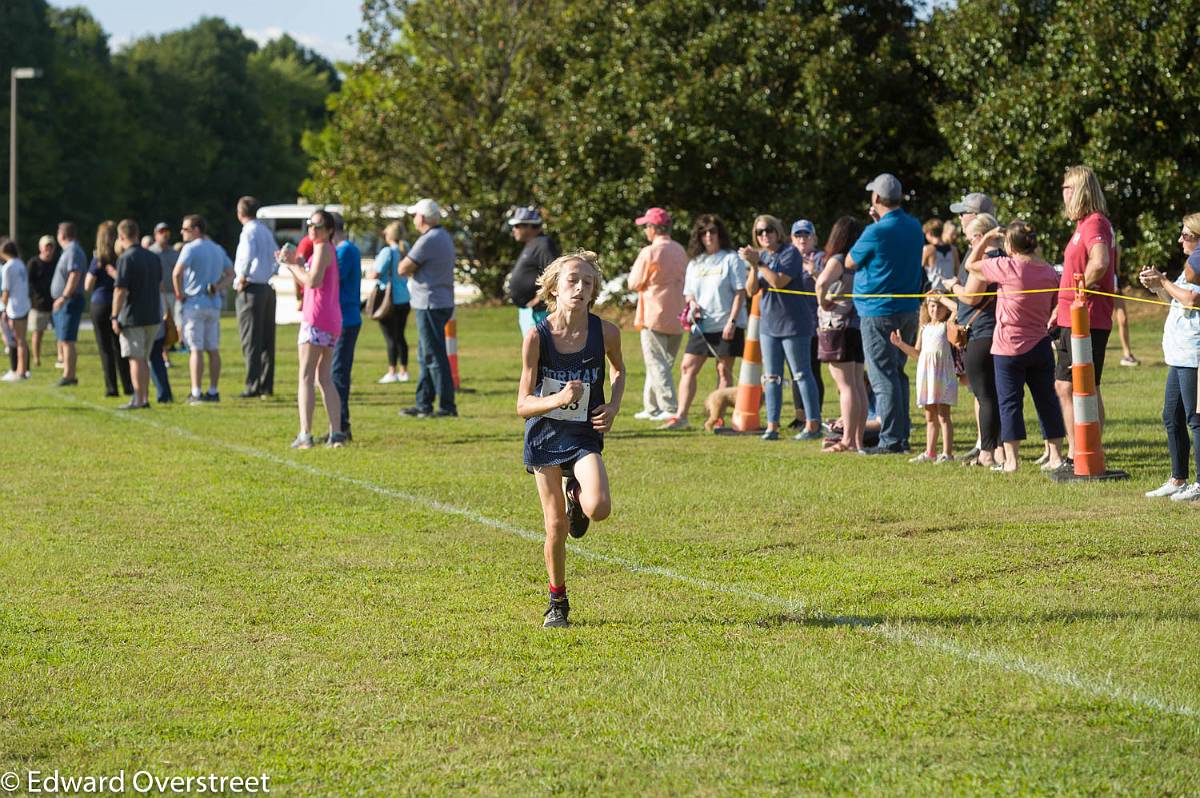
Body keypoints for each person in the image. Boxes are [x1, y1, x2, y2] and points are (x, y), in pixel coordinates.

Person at [518, 251, 625, 628]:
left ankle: (575, 495)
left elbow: (618, 370)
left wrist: (612, 407)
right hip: (545, 435)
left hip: (583, 435)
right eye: (572, 281)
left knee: (599, 508)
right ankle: (557, 602)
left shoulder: (606, 332)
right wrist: (559, 399)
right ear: (554, 288)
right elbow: (522, 404)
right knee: (555, 527)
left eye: (587, 283)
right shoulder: (537, 336)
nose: (580, 288)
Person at [965, 221, 1066, 473]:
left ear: (1009, 245)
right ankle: (1055, 456)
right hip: (1040, 345)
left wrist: (985, 239)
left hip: (1008, 348)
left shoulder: (1006, 267)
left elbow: (970, 266)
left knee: (1009, 403)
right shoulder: (1049, 272)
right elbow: (1056, 301)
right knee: (1047, 401)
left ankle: (1011, 461)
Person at [846, 173, 925, 454]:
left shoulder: (875, 231)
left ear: (876, 198)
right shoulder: (914, 226)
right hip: (908, 310)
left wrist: (873, 226)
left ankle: (891, 440)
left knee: (883, 376)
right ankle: (900, 436)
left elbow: (850, 261)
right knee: (898, 373)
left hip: (878, 311)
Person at [1055, 165, 1117, 464]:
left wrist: (1080, 288)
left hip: (1088, 317)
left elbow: (1100, 261)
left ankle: (1085, 452)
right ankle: (1076, 451)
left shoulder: (1095, 224)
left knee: (1084, 386)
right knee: (1066, 386)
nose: (1063, 194)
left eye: (1068, 188)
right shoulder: (1082, 225)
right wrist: (1059, 306)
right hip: (1071, 315)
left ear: (1081, 190)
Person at [741, 214, 822, 441]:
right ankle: (772, 426)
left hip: (794, 324)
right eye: (759, 232)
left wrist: (759, 263)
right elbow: (751, 290)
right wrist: (752, 266)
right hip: (769, 326)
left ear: (777, 232)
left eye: (768, 230)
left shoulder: (790, 253)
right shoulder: (762, 257)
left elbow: (779, 282)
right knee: (771, 377)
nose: (764, 235)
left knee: (801, 374)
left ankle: (813, 424)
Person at [1139, 212, 1200, 501]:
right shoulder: (1188, 268)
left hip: (1195, 356)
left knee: (1196, 419)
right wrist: (1157, 286)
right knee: (1171, 417)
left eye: (1186, 235)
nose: (1180, 239)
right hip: (1179, 356)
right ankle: (1178, 479)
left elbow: (1191, 299)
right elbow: (1177, 299)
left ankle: (1199, 483)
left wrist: (1163, 282)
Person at [669, 214, 746, 430]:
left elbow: (740, 292)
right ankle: (681, 416)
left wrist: (732, 321)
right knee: (687, 367)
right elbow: (689, 293)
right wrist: (692, 304)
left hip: (727, 324)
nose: (709, 236)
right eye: (704, 232)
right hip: (702, 326)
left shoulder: (731, 258)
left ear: (720, 234)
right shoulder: (695, 262)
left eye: (713, 231)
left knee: (723, 371)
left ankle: (717, 418)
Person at [942, 213, 1004, 467]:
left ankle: (988, 453)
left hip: (981, 333)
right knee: (996, 394)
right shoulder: (1004, 256)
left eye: (970, 241)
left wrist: (953, 286)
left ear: (980, 238)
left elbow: (971, 297)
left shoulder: (986, 259)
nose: (969, 246)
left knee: (984, 395)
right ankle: (999, 450)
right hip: (994, 330)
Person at [280, 209, 345, 448]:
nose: (312, 229)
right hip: (330, 319)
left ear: (329, 231)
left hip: (316, 318)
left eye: (318, 226)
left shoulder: (321, 248)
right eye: (310, 224)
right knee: (324, 378)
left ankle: (305, 434)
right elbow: (311, 279)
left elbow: (312, 281)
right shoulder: (328, 250)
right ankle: (336, 433)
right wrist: (294, 265)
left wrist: (290, 265)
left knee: (306, 377)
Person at [398, 198, 457, 418]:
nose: (414, 219)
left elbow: (403, 268)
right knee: (426, 354)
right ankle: (423, 402)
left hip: (430, 303)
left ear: (422, 217)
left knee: (433, 355)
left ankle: (446, 405)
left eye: (415, 215)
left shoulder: (428, 239)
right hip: (439, 301)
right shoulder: (443, 236)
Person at [628, 207, 687, 423]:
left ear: (653, 228)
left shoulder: (649, 252)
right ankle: (651, 406)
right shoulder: (680, 250)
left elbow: (633, 282)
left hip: (654, 313)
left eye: (647, 226)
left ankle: (669, 407)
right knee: (662, 363)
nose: (645, 231)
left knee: (657, 363)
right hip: (678, 314)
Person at [815, 215, 868, 452]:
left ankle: (847, 439)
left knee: (845, 386)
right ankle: (856, 439)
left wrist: (823, 301)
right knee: (857, 384)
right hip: (857, 324)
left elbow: (821, 284)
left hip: (837, 326)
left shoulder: (837, 260)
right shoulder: (860, 261)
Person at [889, 292, 957, 463]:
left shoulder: (946, 325)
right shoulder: (924, 328)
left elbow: (957, 308)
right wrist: (900, 344)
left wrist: (941, 298)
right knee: (929, 416)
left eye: (939, 306)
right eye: (932, 305)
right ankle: (930, 452)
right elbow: (917, 353)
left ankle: (947, 454)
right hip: (927, 375)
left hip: (941, 374)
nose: (935, 309)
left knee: (943, 415)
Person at [173, 214, 234, 404]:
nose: (182, 233)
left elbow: (177, 273)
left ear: (196, 230)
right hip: (213, 304)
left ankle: (197, 392)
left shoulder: (190, 249)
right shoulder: (217, 248)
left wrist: (179, 294)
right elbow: (231, 274)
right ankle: (213, 391)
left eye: (186, 229)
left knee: (196, 349)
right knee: (213, 349)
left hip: (194, 303)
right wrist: (218, 287)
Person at [110, 219, 164, 410]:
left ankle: (139, 399)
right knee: (144, 359)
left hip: (133, 316)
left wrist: (114, 315)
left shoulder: (126, 258)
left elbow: (120, 290)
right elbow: (159, 285)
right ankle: (145, 397)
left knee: (136, 359)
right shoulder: (153, 257)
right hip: (152, 314)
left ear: (122, 236)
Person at [233, 196, 279, 398]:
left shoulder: (249, 231)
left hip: (252, 287)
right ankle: (266, 384)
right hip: (267, 287)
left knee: (251, 339)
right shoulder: (265, 231)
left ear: (240, 213)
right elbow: (278, 254)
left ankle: (252, 384)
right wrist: (272, 270)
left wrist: (242, 277)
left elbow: (246, 255)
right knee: (267, 340)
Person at [84, 221, 133, 398]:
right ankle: (128, 385)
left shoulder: (98, 258)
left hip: (99, 303)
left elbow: (87, 285)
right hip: (118, 303)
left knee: (105, 348)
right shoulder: (123, 256)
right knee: (121, 346)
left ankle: (111, 388)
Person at [790, 219, 825, 428]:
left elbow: (829, 284)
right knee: (795, 371)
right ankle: (800, 416)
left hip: (814, 323)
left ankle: (815, 414)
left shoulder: (820, 258)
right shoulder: (788, 257)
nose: (802, 239)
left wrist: (813, 271)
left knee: (812, 369)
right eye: (798, 235)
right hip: (791, 324)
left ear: (813, 238)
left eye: (806, 235)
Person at [330, 212, 362, 441]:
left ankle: (341, 425)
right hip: (340, 319)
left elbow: (330, 278)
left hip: (346, 319)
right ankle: (339, 423)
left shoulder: (345, 250)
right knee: (334, 373)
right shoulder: (343, 250)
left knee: (338, 374)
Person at [368, 220, 411, 384]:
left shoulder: (387, 252)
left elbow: (376, 273)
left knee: (390, 337)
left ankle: (392, 371)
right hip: (404, 298)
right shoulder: (406, 248)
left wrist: (369, 273)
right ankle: (404, 371)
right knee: (401, 336)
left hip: (389, 299)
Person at [507, 206, 560, 337]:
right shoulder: (532, 244)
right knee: (533, 353)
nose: (514, 230)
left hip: (540, 313)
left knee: (541, 354)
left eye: (517, 226)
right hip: (530, 313)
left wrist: (538, 299)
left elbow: (556, 274)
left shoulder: (543, 244)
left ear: (530, 226)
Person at [50, 222, 88, 386]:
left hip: (70, 300)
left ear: (62, 235)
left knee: (67, 339)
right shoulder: (69, 250)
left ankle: (69, 376)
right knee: (64, 339)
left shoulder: (72, 250)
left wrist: (63, 297)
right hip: (66, 300)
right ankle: (68, 373)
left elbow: (75, 274)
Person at [0, 239, 30, 381]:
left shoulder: (8, 267)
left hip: (15, 307)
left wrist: (3, 308)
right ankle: (21, 369)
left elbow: (6, 291)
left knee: (18, 341)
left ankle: (20, 371)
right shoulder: (20, 264)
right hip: (23, 304)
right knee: (21, 340)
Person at [26, 235, 55, 368]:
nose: (48, 250)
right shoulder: (34, 262)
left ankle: (61, 358)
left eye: (51, 247)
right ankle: (36, 359)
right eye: (46, 247)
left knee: (60, 334)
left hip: (54, 303)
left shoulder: (56, 263)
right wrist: (34, 297)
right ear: (40, 248)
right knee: (38, 332)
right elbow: (28, 282)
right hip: (38, 305)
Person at [921, 218, 959, 289]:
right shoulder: (953, 249)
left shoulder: (928, 249)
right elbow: (957, 271)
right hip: (950, 290)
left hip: (933, 293)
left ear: (929, 233)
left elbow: (920, 272)